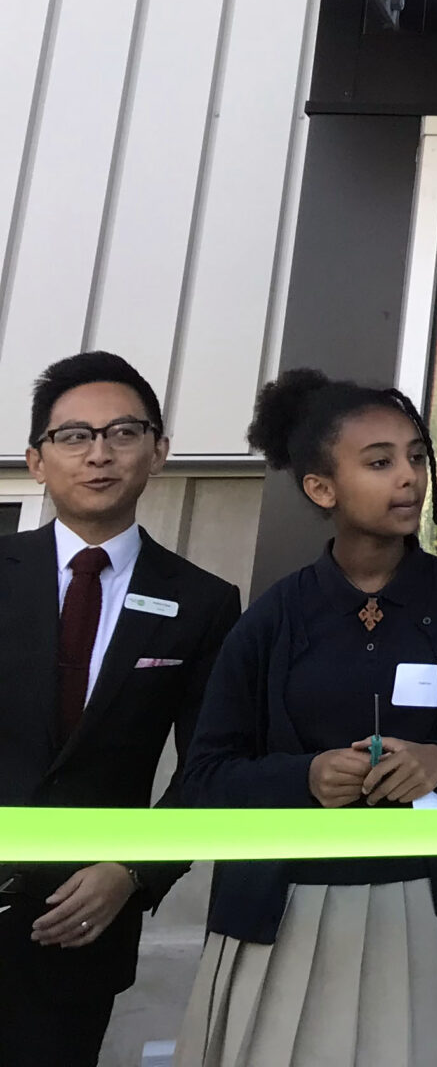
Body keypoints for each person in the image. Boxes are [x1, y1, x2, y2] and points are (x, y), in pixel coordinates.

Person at [177, 370, 437, 1067]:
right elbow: (207, 774)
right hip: (285, 905)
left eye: (418, 456)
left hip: (419, 902)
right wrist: (306, 776)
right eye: (381, 461)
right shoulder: (273, 616)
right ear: (321, 489)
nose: (410, 477)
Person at [1, 352, 242, 1067]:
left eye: (122, 433)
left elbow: (209, 767)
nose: (99, 453)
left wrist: (133, 870)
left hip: (80, 926)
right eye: (74, 436)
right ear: (37, 460)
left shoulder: (203, 602)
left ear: (159, 451)